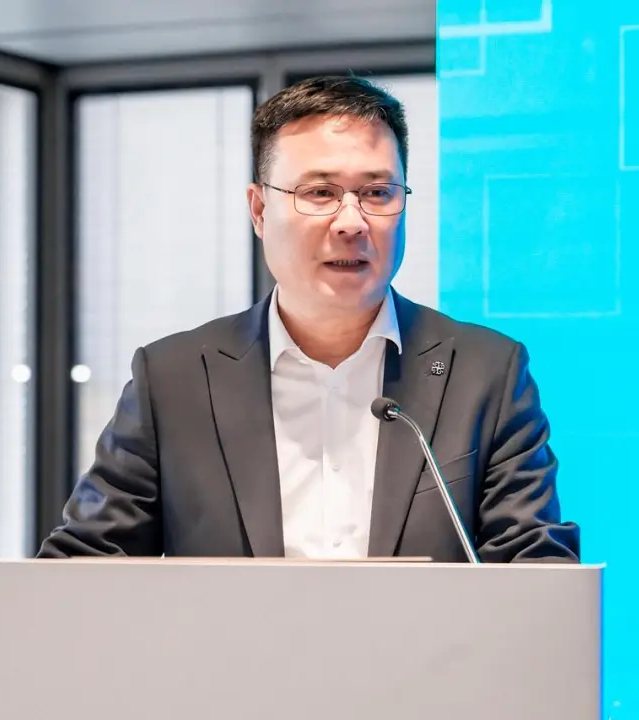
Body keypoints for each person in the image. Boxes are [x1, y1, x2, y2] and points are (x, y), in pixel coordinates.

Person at [37, 75, 580, 563]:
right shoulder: (173, 379)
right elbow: (82, 568)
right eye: (319, 193)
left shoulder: (486, 374)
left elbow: (536, 572)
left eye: (377, 192)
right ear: (259, 210)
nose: (352, 222)